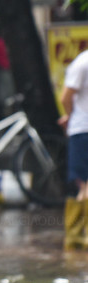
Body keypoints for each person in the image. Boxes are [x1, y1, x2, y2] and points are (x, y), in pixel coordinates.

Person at [58, 49, 88, 249]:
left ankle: (76, 237)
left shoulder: (82, 62)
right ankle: (77, 237)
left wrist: (70, 116)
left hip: (83, 128)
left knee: (84, 185)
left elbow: (65, 98)